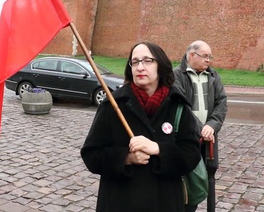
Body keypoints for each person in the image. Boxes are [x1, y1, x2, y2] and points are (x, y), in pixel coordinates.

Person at [81, 42, 201, 212]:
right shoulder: (114, 105)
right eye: (135, 62)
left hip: (165, 202)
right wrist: (126, 158)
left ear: (160, 65)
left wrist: (158, 148)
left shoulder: (177, 105)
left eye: (147, 61)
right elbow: (91, 155)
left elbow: (191, 155)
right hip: (120, 202)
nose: (140, 67)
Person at [173, 40, 228, 212]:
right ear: (191, 55)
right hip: (185, 139)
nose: (209, 60)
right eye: (205, 56)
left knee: (209, 176)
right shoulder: (176, 76)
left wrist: (211, 126)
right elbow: (181, 106)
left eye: (210, 57)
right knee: (187, 176)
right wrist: (200, 129)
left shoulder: (213, 76)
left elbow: (222, 103)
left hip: (209, 138)